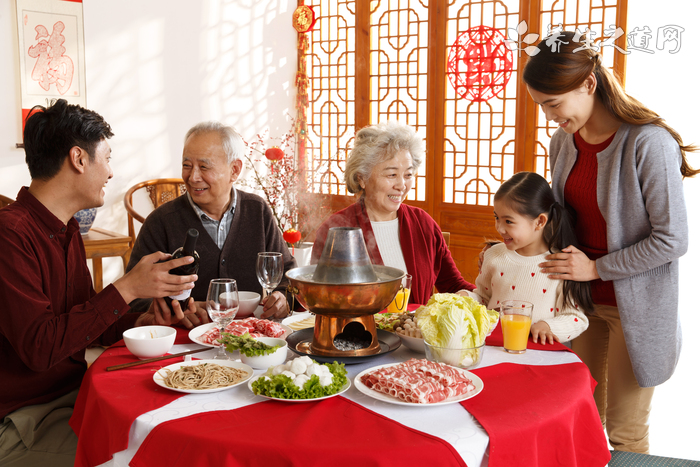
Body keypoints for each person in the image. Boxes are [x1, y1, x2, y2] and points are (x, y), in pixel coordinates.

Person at [522, 31, 695, 453]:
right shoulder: (563, 142)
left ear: (588, 84)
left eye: (553, 104)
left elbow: (673, 239)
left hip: (635, 310)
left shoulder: (648, 143)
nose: (549, 116)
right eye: (542, 105)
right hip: (579, 305)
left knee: (625, 434)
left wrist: (597, 268)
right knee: (578, 421)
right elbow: (566, 221)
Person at [0, 99, 198, 466]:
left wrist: (142, 322)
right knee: (152, 456)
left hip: (77, 396)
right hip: (23, 421)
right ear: (78, 159)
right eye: (106, 158)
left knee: (182, 424)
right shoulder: (10, 234)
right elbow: (40, 348)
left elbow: (81, 322)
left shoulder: (66, 229)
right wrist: (128, 288)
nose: (110, 172)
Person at [126, 121, 296, 321]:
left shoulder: (257, 211)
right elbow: (134, 298)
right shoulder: (161, 222)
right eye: (186, 166)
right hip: (185, 342)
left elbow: (288, 275)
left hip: (251, 338)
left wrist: (283, 298)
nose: (193, 177)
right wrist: (175, 311)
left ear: (234, 170)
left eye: (204, 167)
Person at [311, 121, 475, 304]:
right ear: (362, 178)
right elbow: (319, 298)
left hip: (414, 332)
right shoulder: (337, 229)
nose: (401, 185)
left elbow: (453, 285)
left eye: (408, 175)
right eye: (391, 175)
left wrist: (488, 290)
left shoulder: (423, 223)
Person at [463, 172, 591, 344]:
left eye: (508, 221)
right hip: (494, 348)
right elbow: (483, 298)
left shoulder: (561, 264)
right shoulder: (494, 255)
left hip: (541, 357)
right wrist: (466, 297)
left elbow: (576, 318)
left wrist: (549, 326)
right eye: (496, 218)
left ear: (539, 222)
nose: (499, 228)